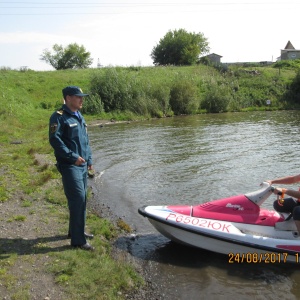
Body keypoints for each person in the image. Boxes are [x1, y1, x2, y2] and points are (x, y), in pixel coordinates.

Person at [49, 86, 95, 251]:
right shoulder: (59, 117)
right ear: (68, 98)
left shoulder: (78, 115)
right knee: (78, 199)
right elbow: (55, 141)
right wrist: (72, 157)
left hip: (82, 165)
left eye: (82, 97)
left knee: (82, 199)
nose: (81, 100)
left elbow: (85, 139)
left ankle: (76, 231)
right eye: (78, 97)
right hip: (70, 166)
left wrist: (89, 159)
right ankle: (78, 241)